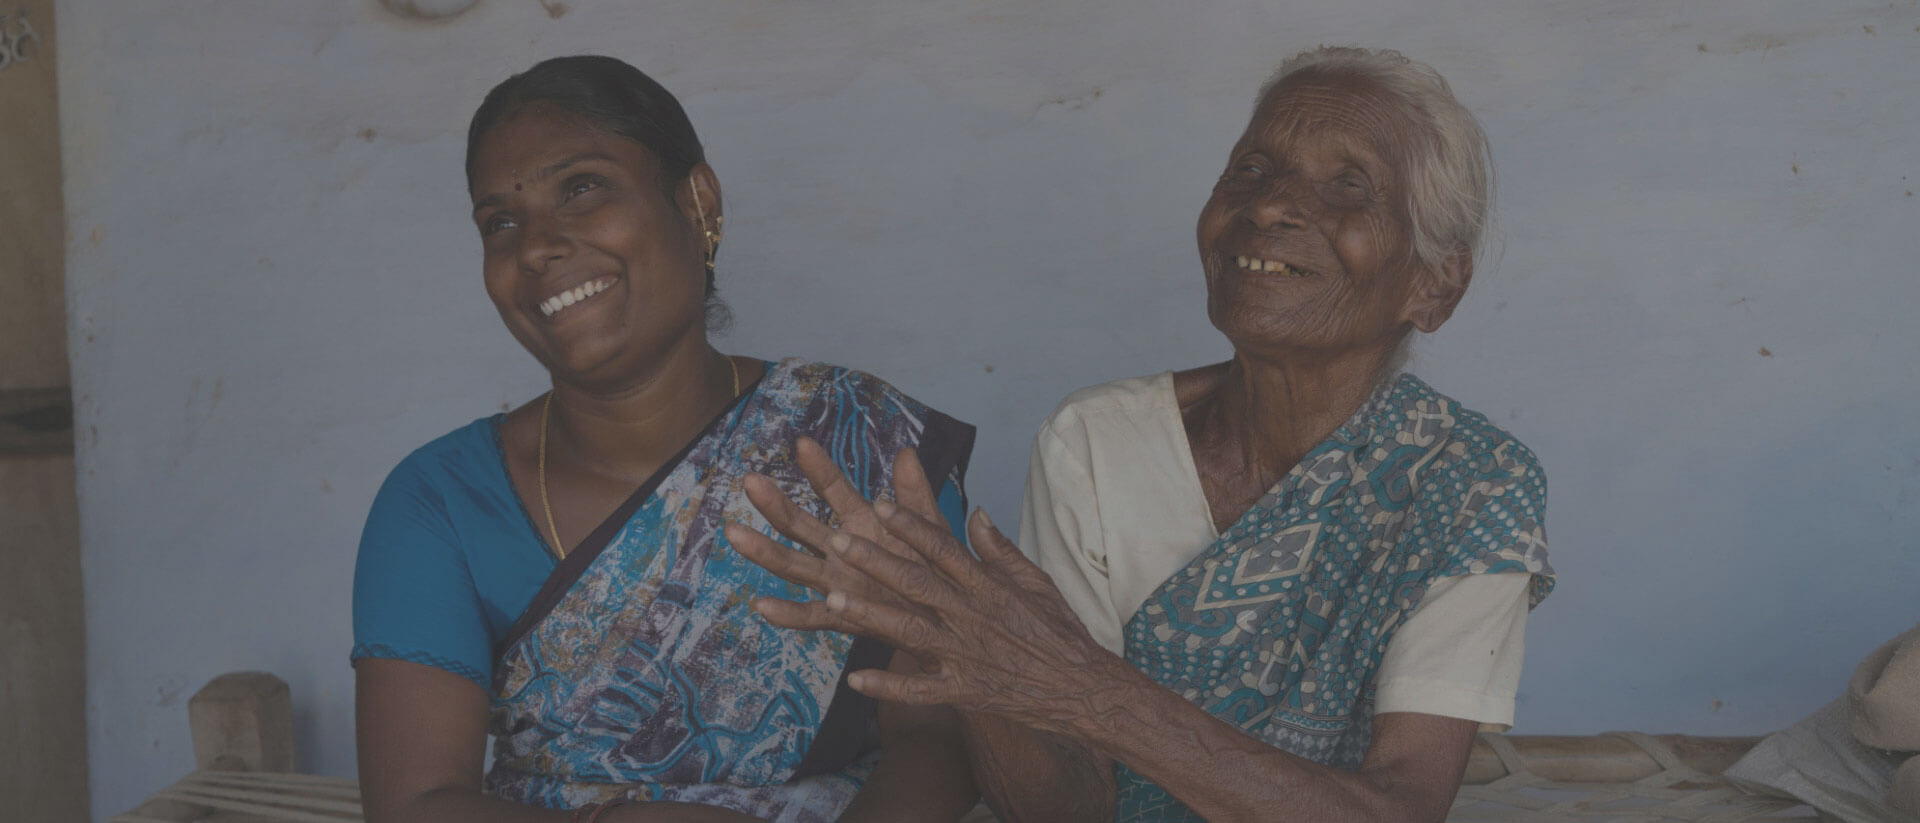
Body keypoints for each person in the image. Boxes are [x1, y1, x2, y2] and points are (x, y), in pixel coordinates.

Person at [733, 46, 1555, 822]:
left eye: (1349, 184)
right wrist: (986, 670)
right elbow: (1068, 807)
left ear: (1435, 284)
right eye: (1252, 170)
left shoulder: (1473, 484)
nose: (1269, 204)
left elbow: (1399, 809)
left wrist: (1081, 687)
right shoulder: (1096, 439)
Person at [350, 55, 980, 823]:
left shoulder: (861, 439)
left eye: (580, 188)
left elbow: (934, 735)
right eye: (500, 223)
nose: (536, 246)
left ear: (697, 200)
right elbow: (414, 803)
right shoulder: (442, 500)